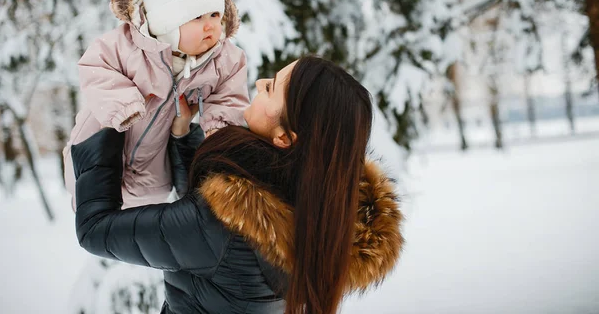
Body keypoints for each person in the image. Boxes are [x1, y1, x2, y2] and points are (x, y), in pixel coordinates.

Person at [71, 56, 404, 314]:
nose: (259, 82)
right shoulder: (321, 209)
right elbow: (226, 209)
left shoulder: (224, 230)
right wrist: (183, 134)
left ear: (286, 138)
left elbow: (95, 229)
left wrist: (105, 121)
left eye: (271, 88)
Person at [63, 0, 250, 209]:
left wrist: (219, 129)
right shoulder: (126, 45)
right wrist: (123, 105)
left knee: (139, 218)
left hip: (152, 177)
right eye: (197, 18)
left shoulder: (222, 59)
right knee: (89, 202)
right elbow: (95, 66)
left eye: (214, 15)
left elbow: (230, 96)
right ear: (166, 22)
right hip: (99, 147)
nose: (210, 26)